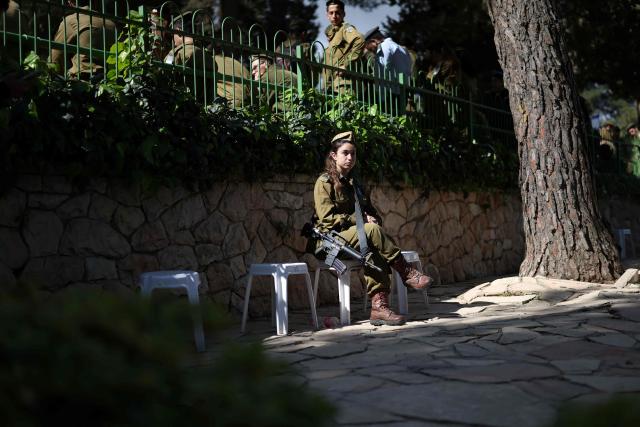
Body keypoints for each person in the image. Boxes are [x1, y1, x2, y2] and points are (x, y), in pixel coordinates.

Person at [311, 131, 433, 326]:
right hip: (329, 242)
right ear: (334, 155)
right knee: (370, 231)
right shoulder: (324, 183)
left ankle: (379, 308)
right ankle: (407, 272)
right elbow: (327, 220)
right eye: (345, 153)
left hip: (354, 239)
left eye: (353, 154)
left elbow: (370, 212)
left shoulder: (354, 185)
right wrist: (361, 222)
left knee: (373, 249)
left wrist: (373, 219)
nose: (350, 157)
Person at [49, 0, 116, 80]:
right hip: (109, 79)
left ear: (71, 2)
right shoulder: (111, 24)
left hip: (83, 79)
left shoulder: (72, 20)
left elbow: (55, 59)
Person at [164, 12, 217, 103]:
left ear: (179, 31)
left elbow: (164, 76)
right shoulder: (208, 56)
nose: (174, 41)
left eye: (173, 36)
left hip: (183, 108)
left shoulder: (176, 53)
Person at [323, 0, 365, 94]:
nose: (334, 16)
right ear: (327, 15)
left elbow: (360, 40)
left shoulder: (345, 28)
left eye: (337, 13)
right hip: (332, 86)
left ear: (343, 14)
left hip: (344, 84)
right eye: (331, 13)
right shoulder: (334, 34)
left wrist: (346, 64)